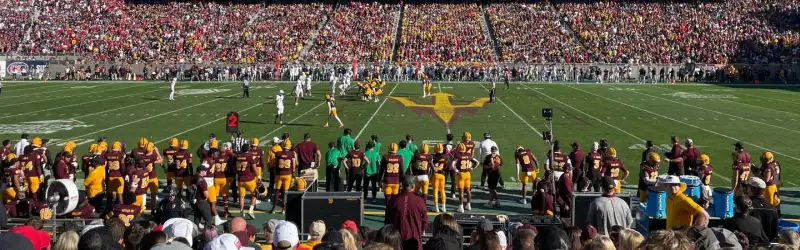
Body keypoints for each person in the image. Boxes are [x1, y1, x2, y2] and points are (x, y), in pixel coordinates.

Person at [385, 174, 427, 250]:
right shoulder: (420, 201)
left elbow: (387, 222)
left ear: (402, 185)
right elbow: (424, 223)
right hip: (415, 241)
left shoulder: (393, 200)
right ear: (413, 186)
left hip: (397, 242)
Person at [746, 177, 779, 241]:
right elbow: (774, 232)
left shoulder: (746, 207)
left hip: (751, 244)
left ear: (750, 189)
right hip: (767, 245)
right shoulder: (773, 209)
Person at [270, 140, 296, 214]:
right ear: (289, 146)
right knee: (285, 192)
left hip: (279, 174)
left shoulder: (278, 153)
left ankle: (273, 208)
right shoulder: (291, 154)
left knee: (277, 191)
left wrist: (275, 173)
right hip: (288, 175)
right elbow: (293, 164)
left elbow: (275, 165)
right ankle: (283, 209)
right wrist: (293, 174)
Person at [453, 143, 478, 213]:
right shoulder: (468, 155)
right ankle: (468, 205)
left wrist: (457, 171)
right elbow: (477, 162)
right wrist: (471, 168)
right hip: (468, 174)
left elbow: (453, 165)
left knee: (461, 192)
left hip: (461, 174)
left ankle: (461, 207)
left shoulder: (457, 155)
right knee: (468, 190)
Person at [235, 144, 259, 219]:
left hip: (240, 180)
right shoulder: (249, 157)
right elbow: (255, 169)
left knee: (241, 197)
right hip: (249, 179)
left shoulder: (238, 157)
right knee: (255, 193)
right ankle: (251, 210)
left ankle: (241, 211)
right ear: (248, 149)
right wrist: (258, 176)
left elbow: (235, 168)